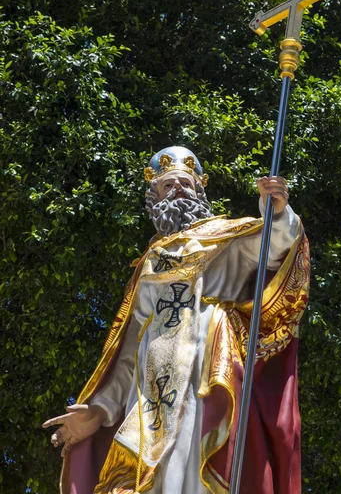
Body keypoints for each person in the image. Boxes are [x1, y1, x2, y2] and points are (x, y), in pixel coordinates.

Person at [43, 146, 309, 494]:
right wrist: (99, 412)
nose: (179, 189)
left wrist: (276, 212)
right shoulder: (150, 263)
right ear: (153, 196)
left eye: (186, 183)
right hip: (152, 391)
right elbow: (127, 353)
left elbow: (278, 245)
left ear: (201, 191)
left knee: (195, 466)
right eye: (169, 186)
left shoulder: (228, 237)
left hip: (207, 370)